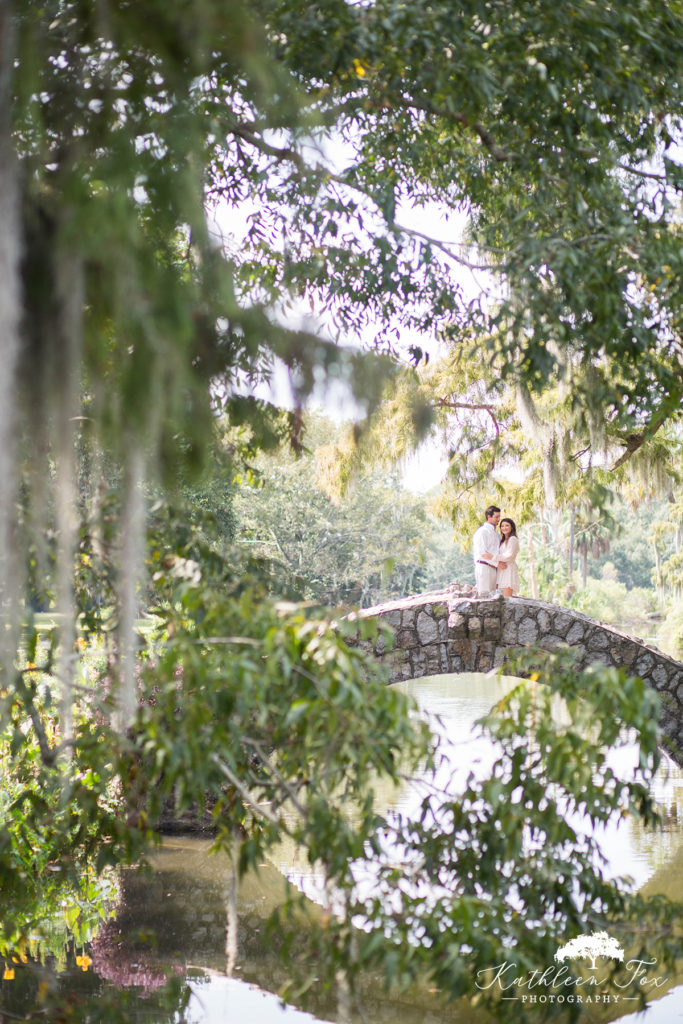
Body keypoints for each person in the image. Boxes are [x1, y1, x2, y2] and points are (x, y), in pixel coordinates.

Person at [472, 505, 507, 596]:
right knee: (484, 596)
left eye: (499, 517)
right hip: (484, 568)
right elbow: (482, 553)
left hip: (494, 569)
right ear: (489, 517)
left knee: (493, 597)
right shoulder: (482, 532)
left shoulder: (496, 534)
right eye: (496, 517)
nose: (498, 519)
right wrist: (497, 564)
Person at [497, 517, 520, 597]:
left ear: (512, 527)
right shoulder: (502, 541)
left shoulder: (513, 539)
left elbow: (509, 556)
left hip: (508, 569)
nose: (504, 528)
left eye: (507, 525)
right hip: (501, 570)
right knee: (499, 598)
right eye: (502, 526)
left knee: (506, 598)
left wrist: (493, 557)